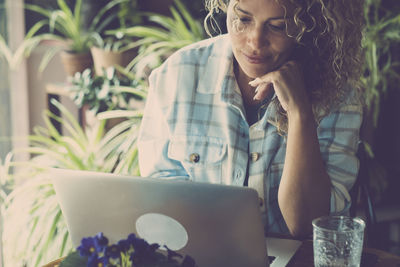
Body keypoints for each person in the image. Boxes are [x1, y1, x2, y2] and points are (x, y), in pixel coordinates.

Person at [137, 0, 364, 238]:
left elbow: (309, 227)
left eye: (277, 26)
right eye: (243, 19)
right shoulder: (176, 75)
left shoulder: (337, 95)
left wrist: (300, 114)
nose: (255, 41)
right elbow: (161, 204)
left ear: (308, 26)